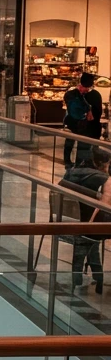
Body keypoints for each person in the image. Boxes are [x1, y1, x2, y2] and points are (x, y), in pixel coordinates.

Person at [61, 153, 111, 293]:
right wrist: (90, 223)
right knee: (92, 235)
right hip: (87, 227)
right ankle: (97, 277)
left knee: (89, 240)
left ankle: (81, 278)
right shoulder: (104, 179)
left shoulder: (69, 173)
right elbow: (104, 206)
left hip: (63, 223)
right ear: (101, 164)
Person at [62, 71, 103, 166]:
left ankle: (71, 163)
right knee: (80, 146)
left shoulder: (72, 93)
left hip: (74, 124)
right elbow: (97, 114)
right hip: (82, 126)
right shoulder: (95, 95)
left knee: (73, 144)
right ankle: (75, 165)